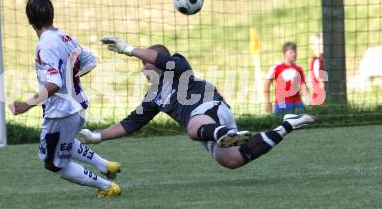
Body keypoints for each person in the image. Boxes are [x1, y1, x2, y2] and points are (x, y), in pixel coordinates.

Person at [79, 37, 315, 170]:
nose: (143, 70)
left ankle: (225, 134)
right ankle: (287, 125)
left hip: (210, 108)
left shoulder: (177, 65)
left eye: (146, 65)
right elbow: (130, 123)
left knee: (192, 130)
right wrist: (97, 137)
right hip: (209, 125)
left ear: (159, 63)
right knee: (231, 161)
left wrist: (130, 50)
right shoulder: (153, 95)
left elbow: (161, 58)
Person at [8, 0, 121, 198]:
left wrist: (27, 104)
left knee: (51, 162)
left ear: (30, 21)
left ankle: (107, 186)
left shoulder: (44, 46)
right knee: (65, 143)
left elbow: (54, 83)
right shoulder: (66, 38)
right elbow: (90, 61)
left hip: (61, 113)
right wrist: (71, 79)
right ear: (52, 15)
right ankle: (105, 165)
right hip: (78, 107)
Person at [264, 41, 309, 115]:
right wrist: (267, 102)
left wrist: (308, 98)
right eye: (291, 52)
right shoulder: (277, 68)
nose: (294, 54)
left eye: (295, 52)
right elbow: (267, 84)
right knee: (281, 123)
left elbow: (303, 85)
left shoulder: (298, 69)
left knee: (302, 122)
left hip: (297, 103)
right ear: (284, 53)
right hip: (281, 104)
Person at [309, 33, 325, 105]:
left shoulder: (318, 59)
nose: (321, 46)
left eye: (322, 44)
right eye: (319, 44)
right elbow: (321, 81)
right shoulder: (318, 61)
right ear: (313, 46)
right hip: (321, 99)